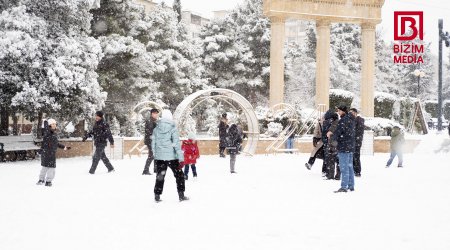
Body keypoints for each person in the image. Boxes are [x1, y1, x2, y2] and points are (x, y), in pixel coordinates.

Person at [152, 109, 188, 202]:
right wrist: (181, 158)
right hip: (172, 157)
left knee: (160, 176)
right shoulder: (173, 128)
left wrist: (156, 156)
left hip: (160, 158)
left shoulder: (156, 129)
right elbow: (176, 144)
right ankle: (181, 195)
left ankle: (157, 195)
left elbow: (153, 144)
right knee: (179, 175)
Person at [329, 105, 356, 193]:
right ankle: (351, 185)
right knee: (350, 167)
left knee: (344, 168)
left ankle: (344, 187)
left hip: (344, 147)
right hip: (350, 146)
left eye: (339, 111)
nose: (338, 112)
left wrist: (331, 136)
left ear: (343, 111)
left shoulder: (343, 120)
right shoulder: (351, 119)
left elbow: (338, 132)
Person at [37, 119, 70, 186]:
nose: (54, 125)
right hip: (49, 153)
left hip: (47, 153)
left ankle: (41, 180)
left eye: (55, 124)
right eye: (53, 124)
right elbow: (45, 142)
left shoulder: (52, 133)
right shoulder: (49, 133)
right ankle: (48, 181)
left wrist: (64, 147)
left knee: (45, 167)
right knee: (51, 168)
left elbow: (56, 143)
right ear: (49, 125)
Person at [322, 110, 340, 180]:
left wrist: (329, 134)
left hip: (332, 143)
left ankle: (331, 175)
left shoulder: (333, 123)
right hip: (334, 143)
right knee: (335, 160)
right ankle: (335, 175)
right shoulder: (337, 122)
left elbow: (328, 133)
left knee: (332, 159)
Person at [142, 108, 159, 175]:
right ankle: (145, 170)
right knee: (151, 155)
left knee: (155, 155)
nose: (156, 115)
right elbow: (150, 131)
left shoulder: (154, 121)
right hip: (150, 140)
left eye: (156, 113)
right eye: (154, 113)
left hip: (153, 140)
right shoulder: (150, 121)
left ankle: (155, 169)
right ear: (152, 114)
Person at [350, 108, 365, 177]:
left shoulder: (359, 120)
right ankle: (353, 170)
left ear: (355, 113)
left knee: (356, 156)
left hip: (357, 142)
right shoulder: (352, 120)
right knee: (352, 156)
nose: (351, 114)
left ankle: (357, 171)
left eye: (352, 112)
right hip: (351, 142)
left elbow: (358, 132)